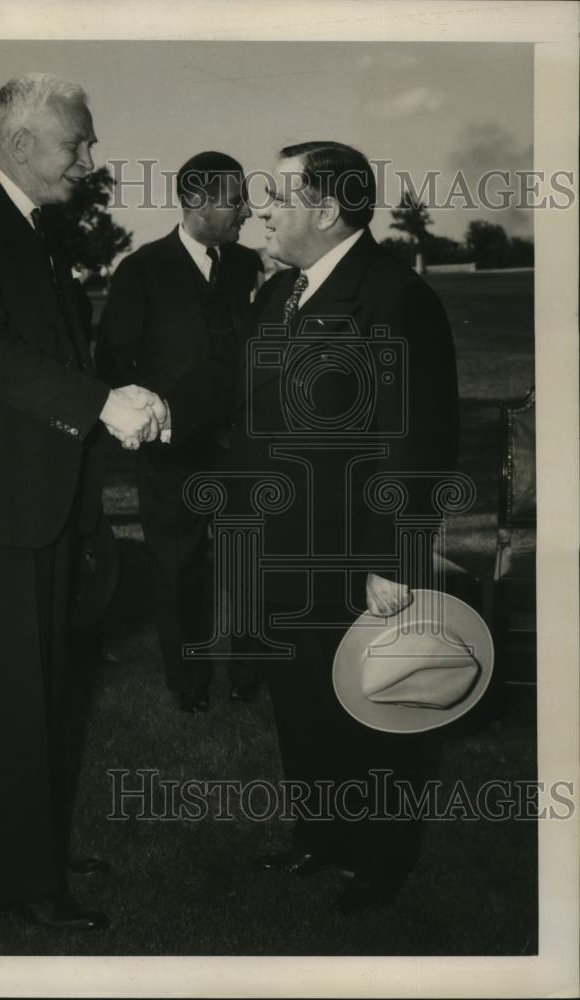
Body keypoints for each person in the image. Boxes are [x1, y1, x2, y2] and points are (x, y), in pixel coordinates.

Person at [0, 72, 165, 930]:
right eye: (76, 142)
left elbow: (54, 354)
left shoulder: (37, 231)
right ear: (19, 146)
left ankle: (38, 849)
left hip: (41, 501)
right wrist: (101, 404)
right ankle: (24, 885)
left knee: (46, 691)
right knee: (9, 705)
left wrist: (113, 392)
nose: (89, 158)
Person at [165, 141, 459, 910]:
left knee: (375, 713)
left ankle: (379, 861)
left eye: (277, 196)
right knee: (299, 703)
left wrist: (395, 562)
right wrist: (151, 408)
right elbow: (231, 390)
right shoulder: (277, 296)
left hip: (358, 558)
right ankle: (317, 837)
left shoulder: (397, 298)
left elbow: (417, 441)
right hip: (277, 549)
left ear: (326, 211)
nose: (261, 208)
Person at [96, 151, 263, 713]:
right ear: (195, 202)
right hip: (172, 456)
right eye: (234, 198)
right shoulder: (141, 269)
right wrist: (150, 419)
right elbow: (115, 359)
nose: (246, 208)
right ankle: (188, 684)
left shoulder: (248, 267)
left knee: (251, 562)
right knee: (178, 567)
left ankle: (248, 676)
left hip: (241, 449)